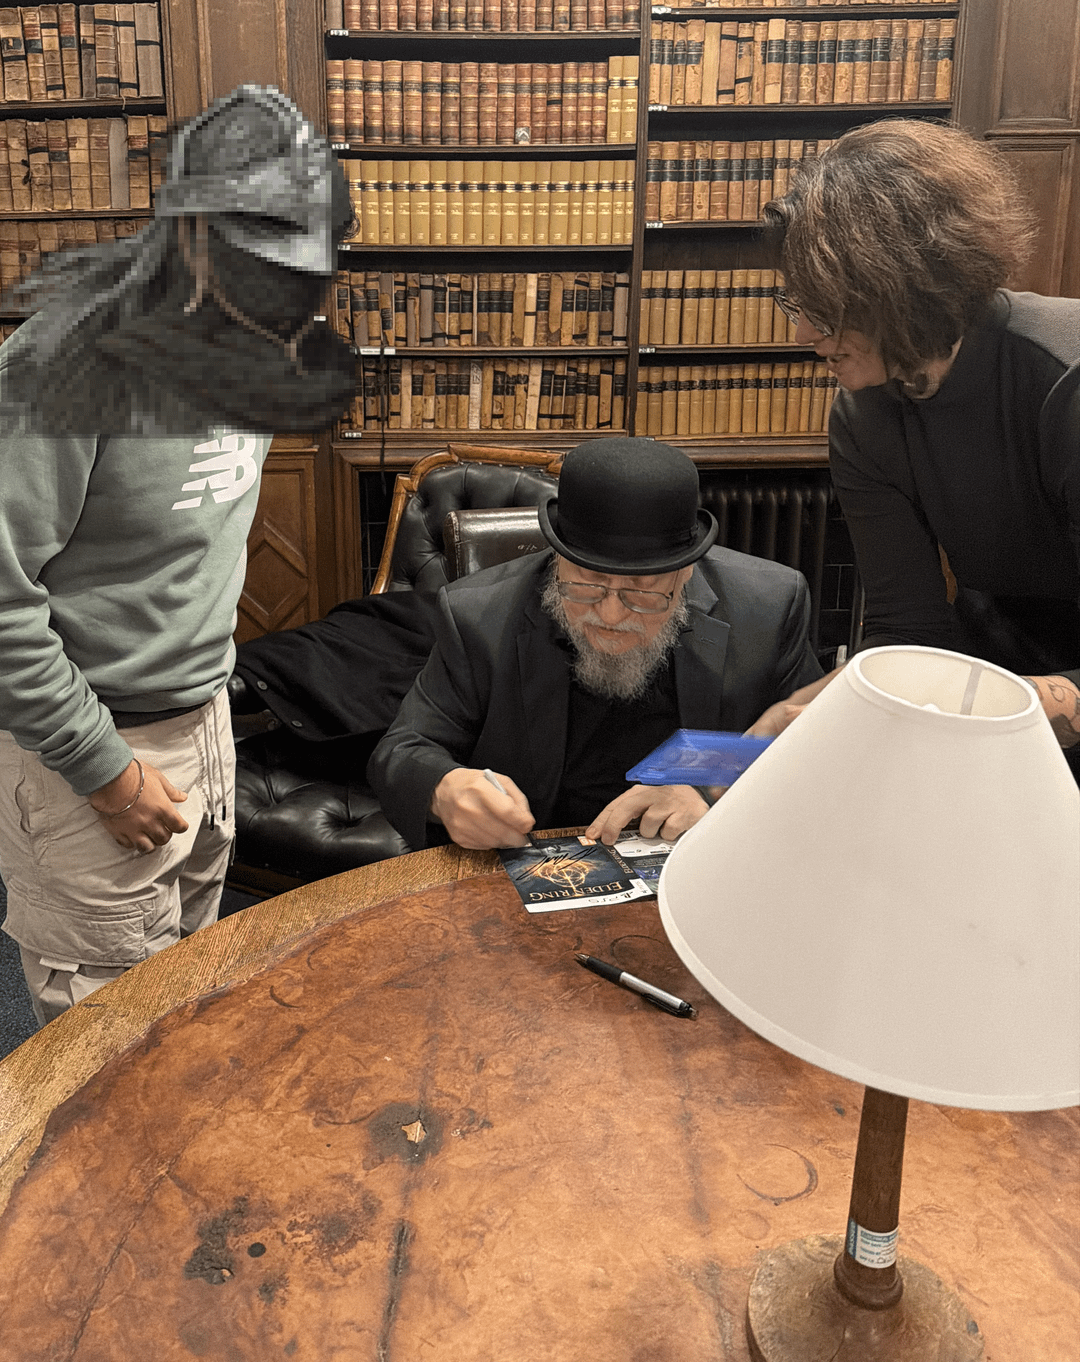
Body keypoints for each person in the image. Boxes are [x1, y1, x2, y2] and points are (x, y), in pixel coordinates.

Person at [0, 86, 356, 1024]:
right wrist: (104, 772)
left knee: (183, 1005)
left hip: (206, 719)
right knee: (104, 1041)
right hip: (90, 746)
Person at [748, 119, 1080, 778]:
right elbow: (908, 626)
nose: (803, 333)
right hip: (1002, 670)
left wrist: (991, 705)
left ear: (902, 287)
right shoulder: (863, 415)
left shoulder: (1062, 380)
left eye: (822, 306)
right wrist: (810, 709)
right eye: (795, 302)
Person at [367, 437, 823, 852]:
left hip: (701, 855)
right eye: (586, 585)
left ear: (686, 572)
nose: (610, 615)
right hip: (541, 856)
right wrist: (444, 788)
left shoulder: (767, 607)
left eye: (642, 593)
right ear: (558, 558)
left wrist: (710, 789)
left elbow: (817, 746)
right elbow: (403, 748)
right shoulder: (479, 615)